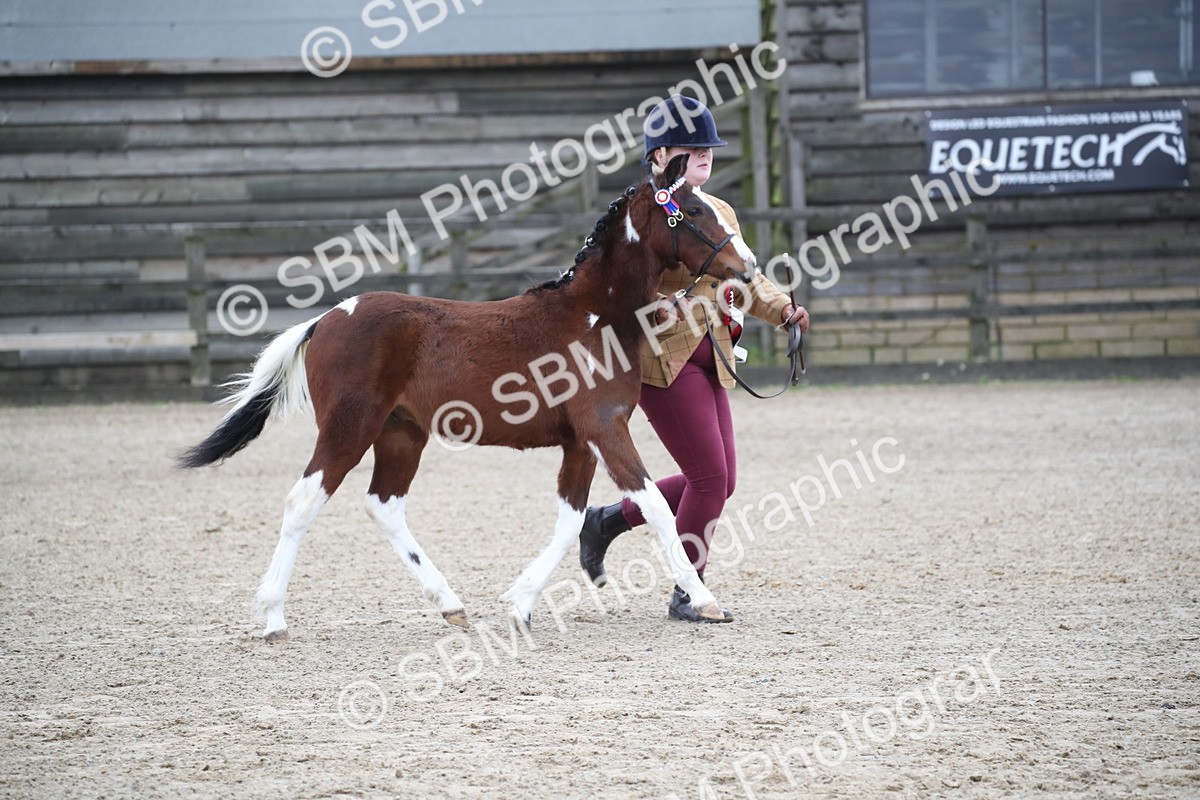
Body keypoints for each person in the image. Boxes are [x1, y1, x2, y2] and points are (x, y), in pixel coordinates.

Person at [578, 94, 811, 622]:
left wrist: (783, 311)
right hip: (664, 364)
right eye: (691, 148)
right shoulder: (639, 217)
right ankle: (689, 589)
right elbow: (614, 294)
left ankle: (609, 520)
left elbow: (746, 278)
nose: (705, 155)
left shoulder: (717, 211)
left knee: (721, 481)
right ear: (660, 156)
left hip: (715, 356)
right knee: (708, 478)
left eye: (708, 147)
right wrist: (659, 306)